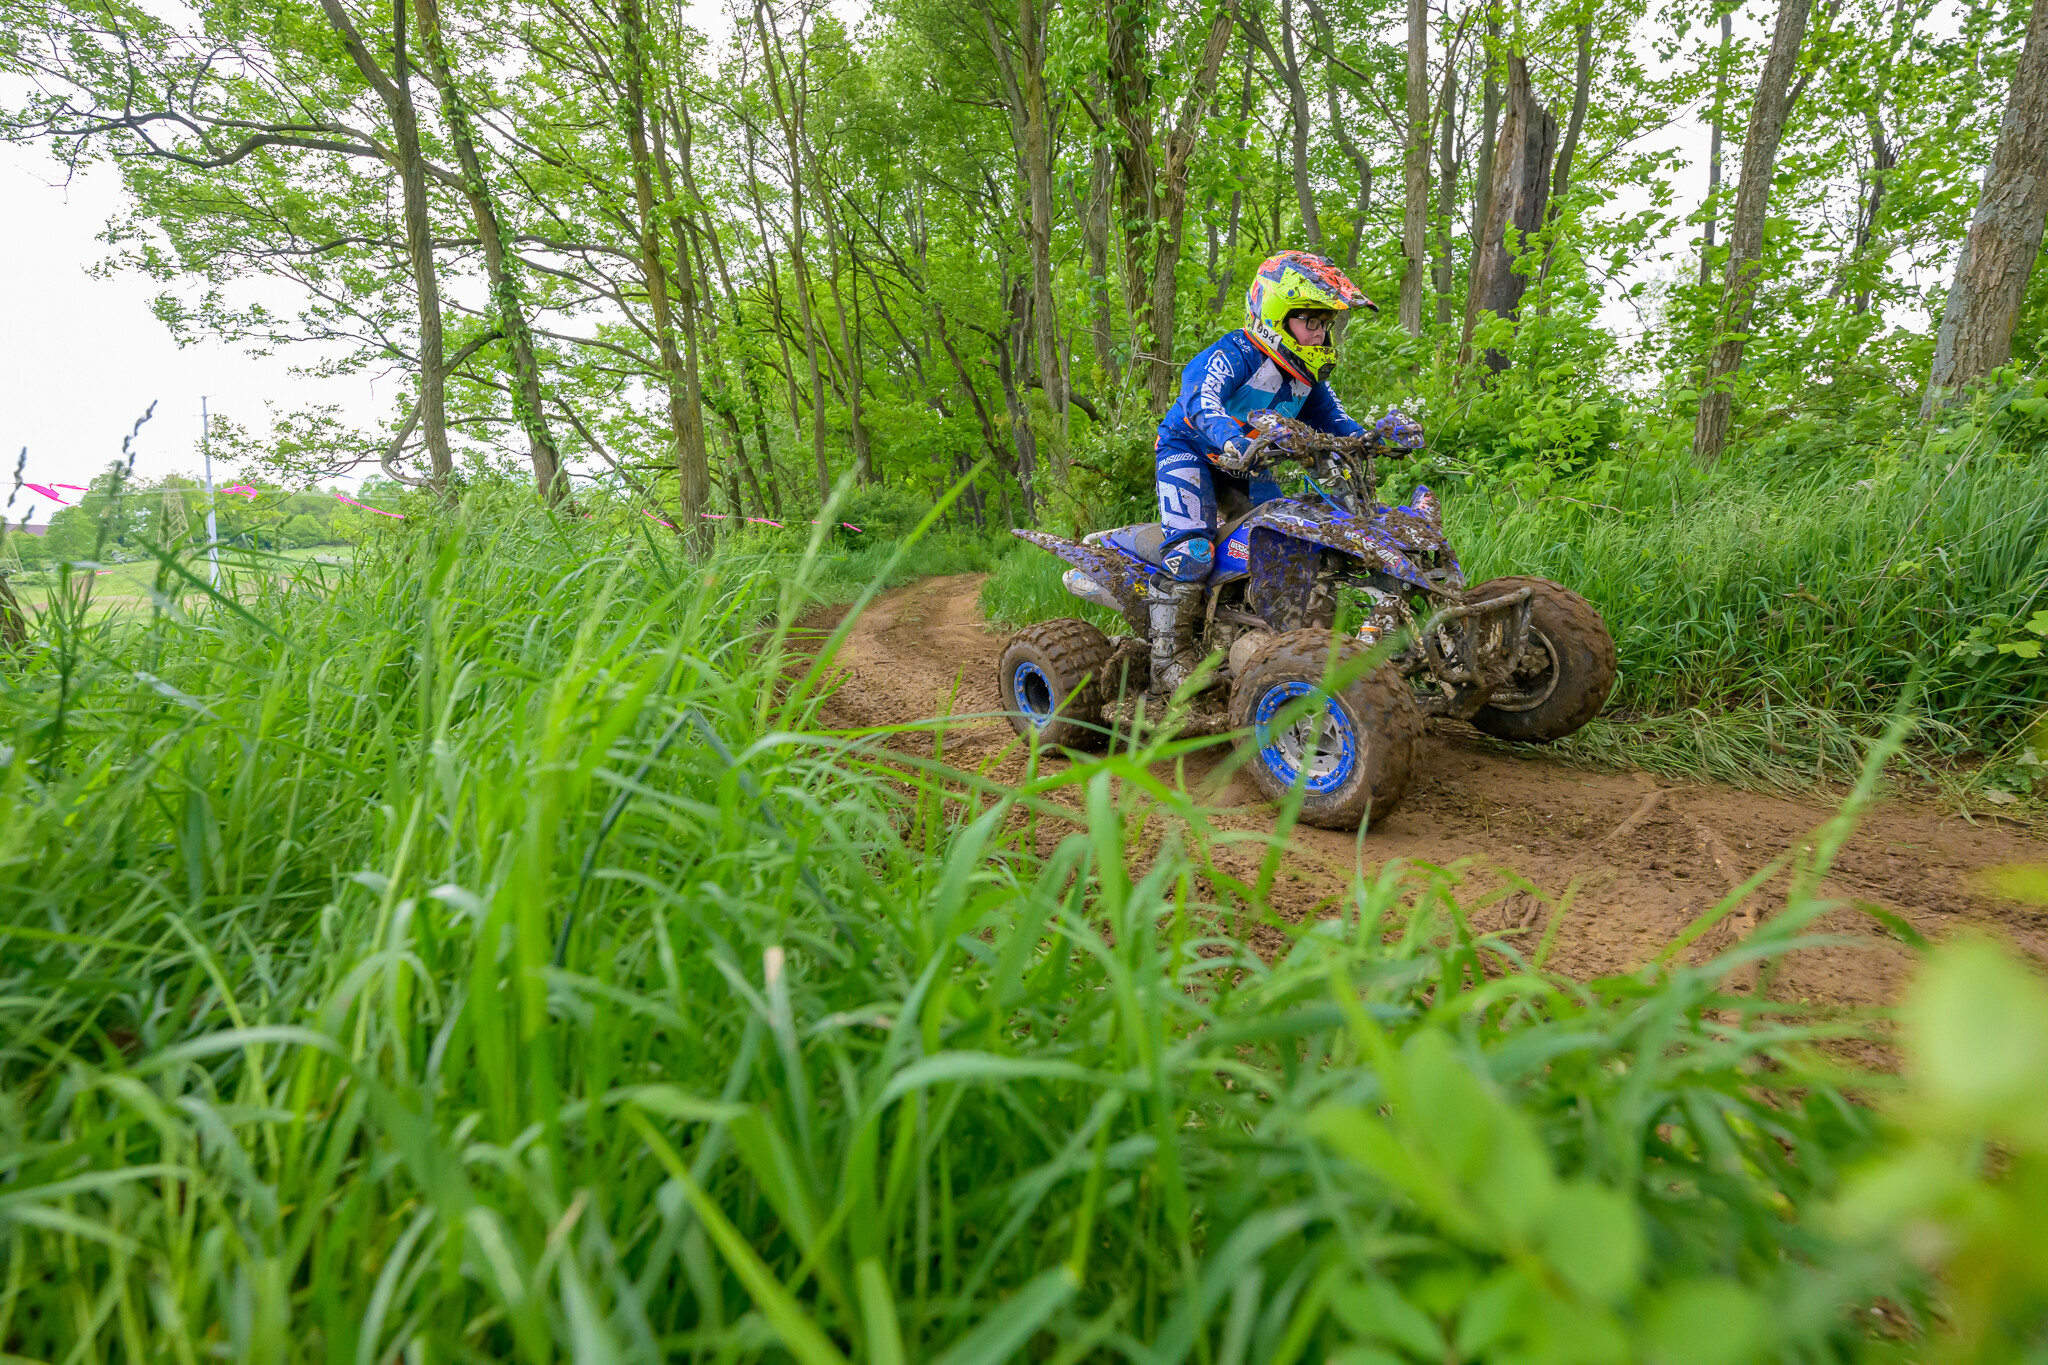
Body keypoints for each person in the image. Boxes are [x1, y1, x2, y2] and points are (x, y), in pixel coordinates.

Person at [1146, 249, 1376, 693]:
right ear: (1277, 312)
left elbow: (1335, 423)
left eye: (1325, 325)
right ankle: (1167, 661)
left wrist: (1371, 439)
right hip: (1191, 451)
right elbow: (1201, 399)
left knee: (1296, 538)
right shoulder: (1235, 353)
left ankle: (1285, 643)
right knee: (1193, 552)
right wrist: (1234, 437)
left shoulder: (1305, 376)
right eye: (1312, 322)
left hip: (1251, 463)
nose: (1320, 334)